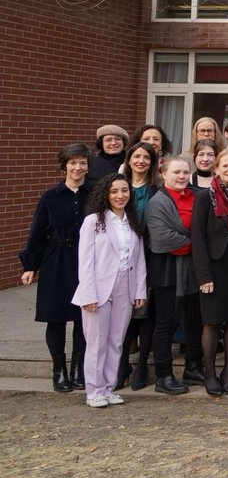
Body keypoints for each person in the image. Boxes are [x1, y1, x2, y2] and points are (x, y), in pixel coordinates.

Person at [21, 143, 92, 393]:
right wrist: (31, 266)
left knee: (83, 317)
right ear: (64, 166)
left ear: (87, 166)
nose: (77, 167)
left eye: (82, 162)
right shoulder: (50, 197)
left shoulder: (94, 194)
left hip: (85, 262)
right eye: (72, 162)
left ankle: (78, 369)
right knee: (57, 317)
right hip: (55, 261)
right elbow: (37, 232)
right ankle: (59, 370)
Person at [73, 174, 147, 408]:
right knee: (97, 341)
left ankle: (108, 388)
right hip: (99, 288)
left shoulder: (132, 221)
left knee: (116, 341)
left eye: (124, 190)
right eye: (114, 191)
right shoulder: (93, 221)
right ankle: (93, 391)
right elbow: (85, 261)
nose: (120, 195)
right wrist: (89, 294)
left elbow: (140, 259)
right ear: (105, 194)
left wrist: (139, 290)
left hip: (126, 285)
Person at [190, 148, 228, 396]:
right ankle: (209, 373)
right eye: (225, 166)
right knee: (212, 321)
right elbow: (198, 237)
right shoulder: (206, 197)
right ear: (216, 168)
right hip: (214, 266)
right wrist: (204, 275)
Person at [144, 155, 203, 394]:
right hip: (166, 271)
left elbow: (210, 228)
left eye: (185, 172)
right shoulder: (157, 202)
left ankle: (193, 366)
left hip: (194, 271)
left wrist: (196, 241)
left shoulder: (198, 197)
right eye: (176, 172)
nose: (181, 177)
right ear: (163, 174)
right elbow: (162, 240)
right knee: (166, 322)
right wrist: (198, 242)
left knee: (195, 319)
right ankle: (163, 375)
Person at [116, 140, 160, 390]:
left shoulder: (157, 189)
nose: (141, 161)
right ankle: (122, 365)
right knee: (123, 312)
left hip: (149, 256)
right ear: (129, 159)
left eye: (146, 158)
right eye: (137, 156)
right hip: (121, 258)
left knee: (145, 311)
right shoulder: (117, 187)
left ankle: (143, 363)